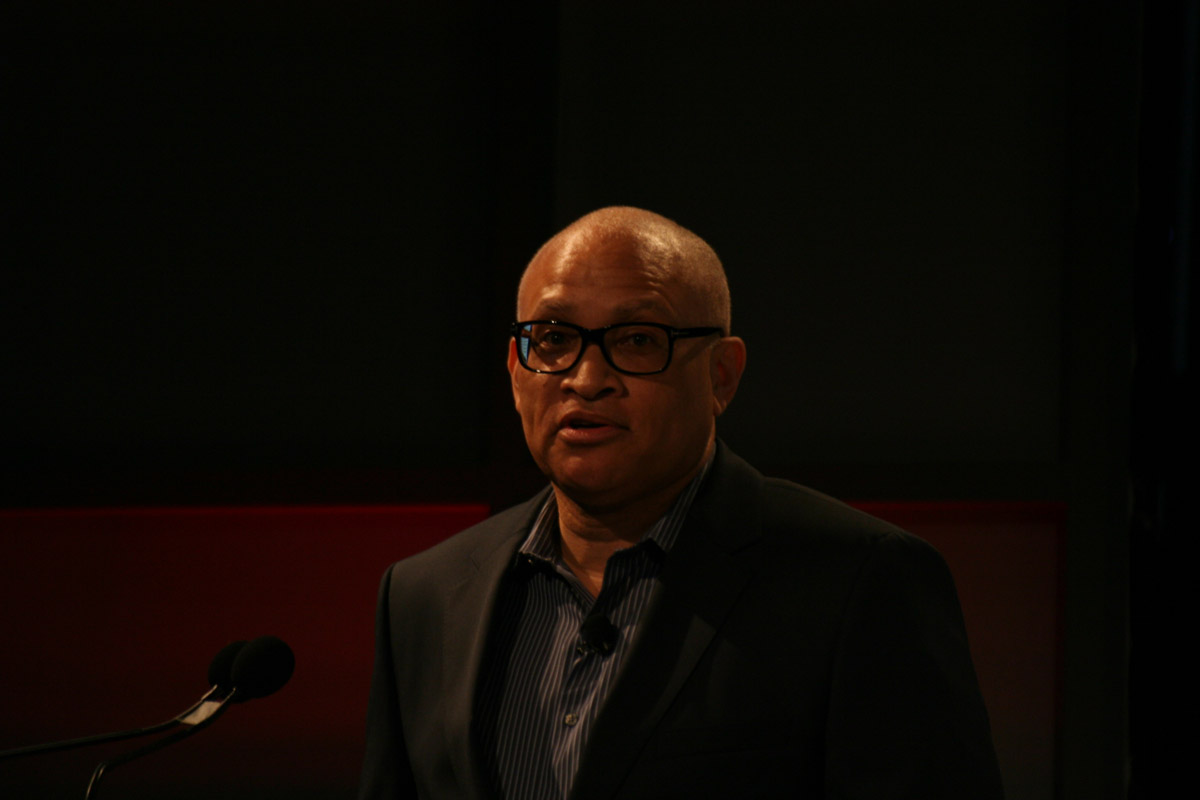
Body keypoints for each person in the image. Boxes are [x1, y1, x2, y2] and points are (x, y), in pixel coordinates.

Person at [359, 207, 1004, 799]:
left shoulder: (859, 582)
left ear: (721, 375)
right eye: (553, 339)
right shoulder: (424, 596)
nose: (587, 378)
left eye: (637, 340)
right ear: (515, 368)